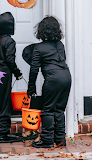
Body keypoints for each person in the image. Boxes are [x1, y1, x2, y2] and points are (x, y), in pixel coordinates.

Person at [23, 16, 72, 148]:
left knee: (48, 109)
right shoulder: (60, 45)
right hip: (67, 77)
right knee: (60, 109)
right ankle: (60, 139)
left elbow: (34, 70)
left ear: (41, 31)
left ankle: (47, 140)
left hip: (53, 79)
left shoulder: (39, 48)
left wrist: (31, 88)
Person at [0, 12, 23, 142]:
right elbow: (10, 60)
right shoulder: (10, 41)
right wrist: (17, 73)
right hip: (4, 74)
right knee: (4, 103)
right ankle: (2, 133)